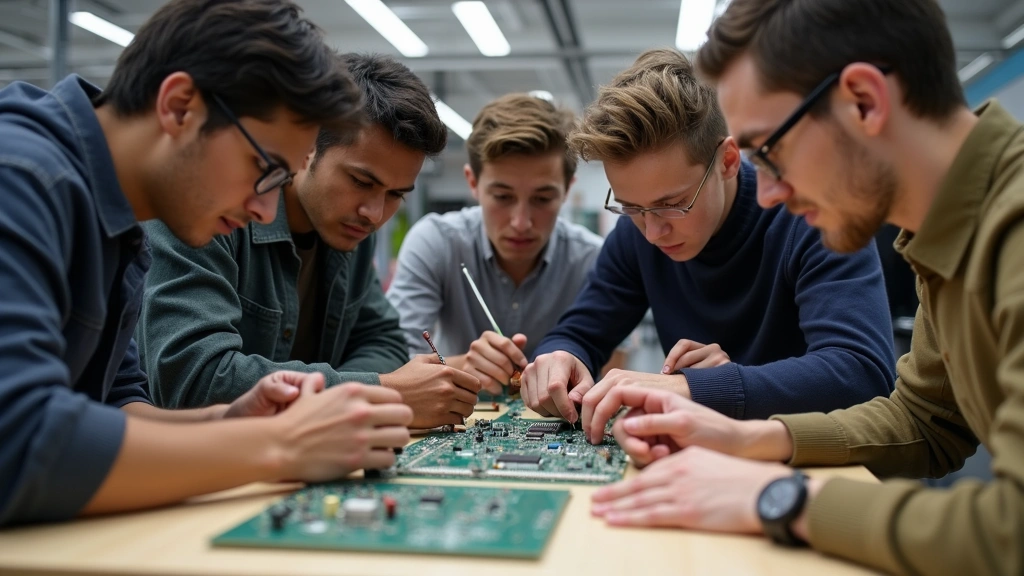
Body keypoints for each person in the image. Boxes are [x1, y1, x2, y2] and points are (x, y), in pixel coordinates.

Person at [586, 1, 1024, 574]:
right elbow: (924, 423)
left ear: (864, 101)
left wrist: (776, 497)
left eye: (770, 150)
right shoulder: (949, 230)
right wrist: (751, 442)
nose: (765, 194)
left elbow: (1009, 531)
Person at [0, 0, 413, 527]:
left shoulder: (116, 220)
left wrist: (228, 419)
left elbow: (120, 406)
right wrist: (275, 446)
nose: (265, 209)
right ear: (178, 107)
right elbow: (17, 439)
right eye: (265, 170)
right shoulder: (21, 177)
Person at [520, 48, 896, 426]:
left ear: (728, 162)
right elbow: (579, 333)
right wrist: (559, 359)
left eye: (673, 204)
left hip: (817, 466)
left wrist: (701, 388)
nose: (652, 232)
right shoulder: (634, 235)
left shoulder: (811, 215)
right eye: (631, 206)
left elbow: (862, 374)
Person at [138, 53, 479, 429]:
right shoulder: (209, 213)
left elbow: (384, 341)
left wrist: (348, 395)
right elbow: (192, 379)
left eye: (396, 194)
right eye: (362, 182)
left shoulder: (350, 228)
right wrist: (376, 392)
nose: (375, 213)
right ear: (307, 148)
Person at [386, 93, 604, 395]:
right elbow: (393, 364)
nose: (521, 222)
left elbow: (607, 363)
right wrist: (462, 365)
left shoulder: (593, 259)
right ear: (472, 183)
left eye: (542, 199)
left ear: (567, 190)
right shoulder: (436, 242)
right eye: (502, 197)